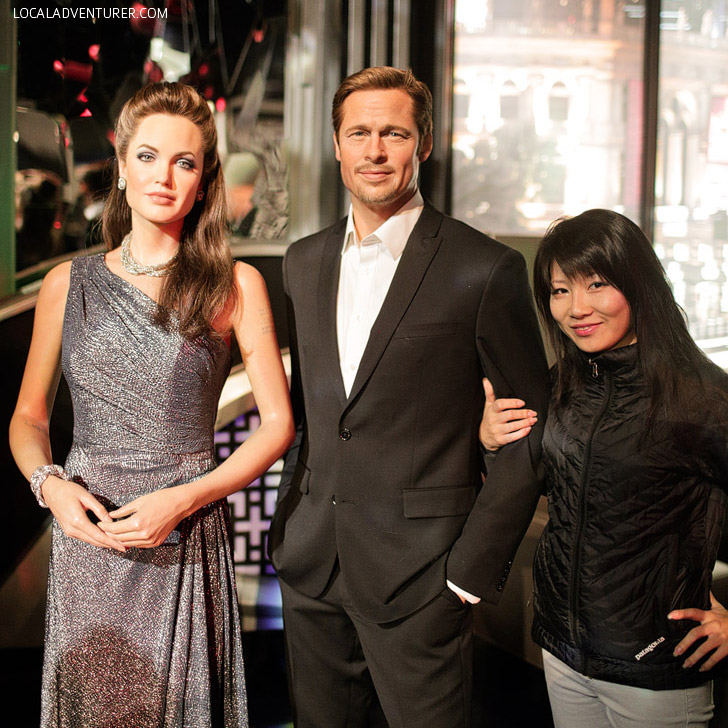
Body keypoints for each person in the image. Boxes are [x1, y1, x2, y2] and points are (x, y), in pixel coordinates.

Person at [266, 66, 550, 727]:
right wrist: (288, 531)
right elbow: (313, 419)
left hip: (424, 579)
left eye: (393, 133)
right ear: (336, 145)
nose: (374, 150)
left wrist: (468, 574)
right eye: (358, 133)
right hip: (311, 569)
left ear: (422, 143)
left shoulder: (483, 267)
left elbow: (532, 432)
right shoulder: (302, 262)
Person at [9, 81, 293, 728]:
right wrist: (50, 486)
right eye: (147, 156)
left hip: (184, 528)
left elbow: (277, 425)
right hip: (88, 532)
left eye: (183, 162)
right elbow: (28, 418)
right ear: (120, 165)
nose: (163, 177)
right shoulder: (66, 284)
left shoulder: (235, 284)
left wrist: (186, 499)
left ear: (204, 180)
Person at [480, 208, 728, 727]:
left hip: (654, 671)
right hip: (562, 652)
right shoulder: (563, 383)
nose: (577, 308)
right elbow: (544, 484)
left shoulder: (702, 397)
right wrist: (491, 440)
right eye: (560, 290)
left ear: (638, 283)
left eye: (596, 284)